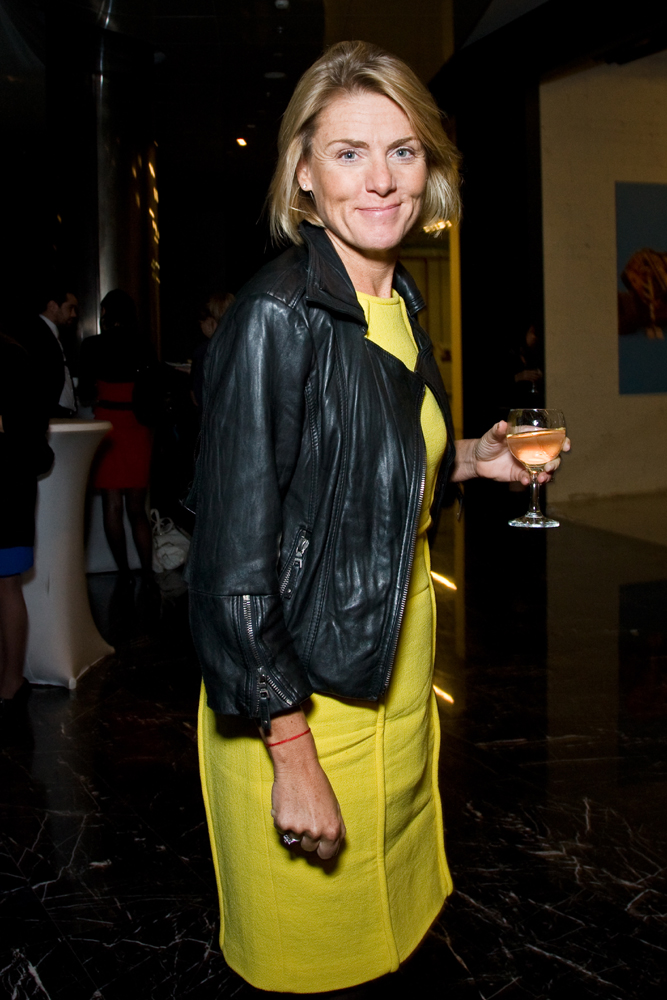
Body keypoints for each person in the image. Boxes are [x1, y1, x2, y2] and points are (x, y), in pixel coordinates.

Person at [187, 41, 568, 995]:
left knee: (391, 945)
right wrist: (290, 753)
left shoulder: (395, 298)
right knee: (312, 966)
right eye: (348, 152)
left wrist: (470, 459)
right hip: (303, 704)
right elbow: (231, 562)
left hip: (393, 686)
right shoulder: (277, 317)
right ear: (302, 173)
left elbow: (361, 477)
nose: (381, 180)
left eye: (402, 151)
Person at [79, 290, 156, 577]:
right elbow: (152, 388)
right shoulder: (143, 345)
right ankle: (147, 572)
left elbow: (85, 393)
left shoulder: (92, 345)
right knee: (137, 508)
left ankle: (123, 572)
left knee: (111, 506)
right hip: (136, 426)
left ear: (106, 314)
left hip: (108, 426)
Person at [0, 332, 53, 727]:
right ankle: (9, 682)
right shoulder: (15, 355)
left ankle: (11, 682)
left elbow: (32, 437)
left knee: (6, 584)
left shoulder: (12, 357)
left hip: (7, 487)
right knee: (7, 585)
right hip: (12, 484)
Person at [18, 288, 78, 418]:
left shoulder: (51, 333)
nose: (73, 314)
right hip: (49, 414)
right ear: (52, 306)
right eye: (70, 308)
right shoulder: (37, 334)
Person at [190, 292, 235, 411]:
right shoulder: (246, 345)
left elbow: (198, 398)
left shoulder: (205, 351)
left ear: (212, 322)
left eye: (202, 322)